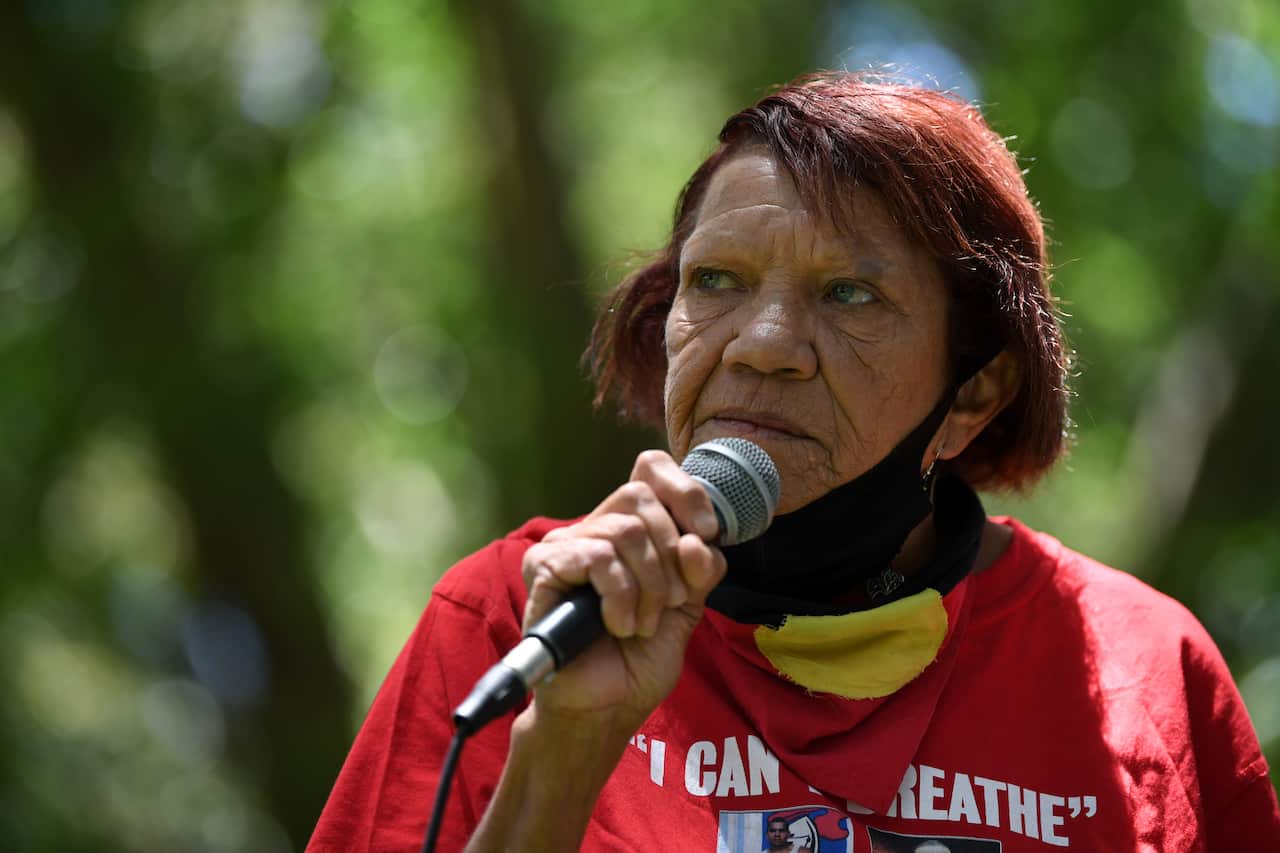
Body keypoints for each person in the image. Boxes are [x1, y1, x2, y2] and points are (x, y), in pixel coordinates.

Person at [308, 72, 1280, 851]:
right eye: (716, 281)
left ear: (973, 394)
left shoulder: (1142, 672)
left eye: (850, 294)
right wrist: (562, 747)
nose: (763, 343)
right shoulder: (518, 621)